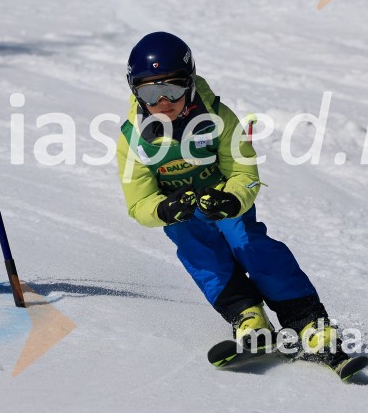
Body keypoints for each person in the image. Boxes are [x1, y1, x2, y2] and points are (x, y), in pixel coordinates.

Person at [116, 31, 348, 368]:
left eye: (173, 88)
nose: (164, 101)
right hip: (182, 214)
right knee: (198, 252)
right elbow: (139, 203)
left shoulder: (217, 117)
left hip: (224, 201)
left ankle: (308, 320)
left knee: (246, 242)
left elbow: (244, 170)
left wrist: (232, 199)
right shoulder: (133, 140)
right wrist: (163, 209)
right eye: (151, 92)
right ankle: (248, 316)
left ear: (190, 84)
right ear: (136, 94)